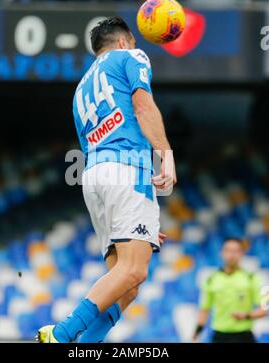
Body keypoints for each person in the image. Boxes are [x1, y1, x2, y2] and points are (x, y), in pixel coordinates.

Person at [37, 16, 176, 343]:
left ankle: (84, 348)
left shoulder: (81, 89)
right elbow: (143, 108)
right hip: (128, 169)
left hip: (95, 175)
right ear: (125, 41)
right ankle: (60, 335)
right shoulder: (131, 56)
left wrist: (138, 219)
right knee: (134, 271)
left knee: (126, 283)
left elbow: (89, 145)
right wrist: (166, 155)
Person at [193, 238, 266, 343]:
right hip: (219, 336)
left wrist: (246, 315)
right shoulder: (211, 279)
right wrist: (196, 334)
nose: (232, 255)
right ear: (222, 253)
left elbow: (264, 309)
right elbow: (204, 309)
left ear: (242, 254)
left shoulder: (253, 278)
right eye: (228, 250)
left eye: (236, 251)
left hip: (244, 335)